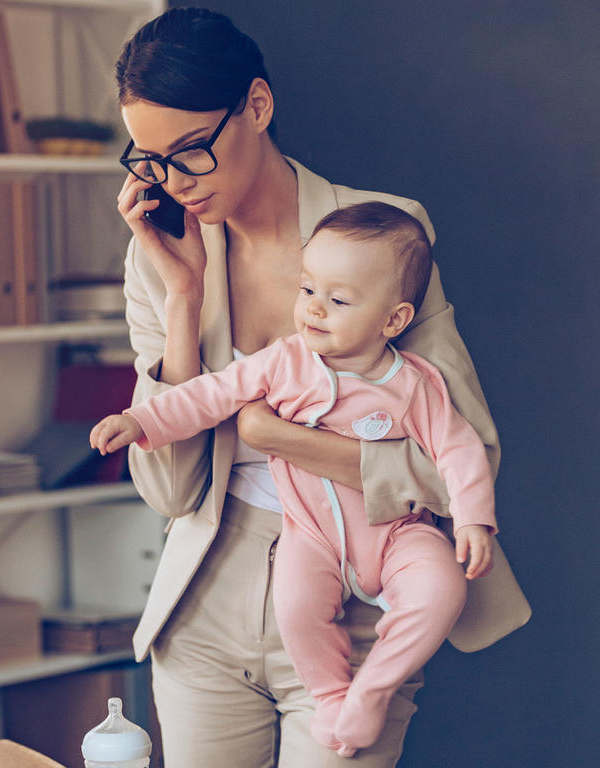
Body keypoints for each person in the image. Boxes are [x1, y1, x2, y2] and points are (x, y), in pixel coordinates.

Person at [110, 7, 531, 768]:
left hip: (358, 599)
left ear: (258, 107)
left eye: (191, 152)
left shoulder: (384, 237)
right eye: (147, 160)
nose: (171, 182)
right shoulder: (158, 259)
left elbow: (459, 463)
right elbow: (171, 493)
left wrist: (282, 440)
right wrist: (182, 300)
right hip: (206, 600)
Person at [92, 201, 497, 758]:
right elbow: (210, 395)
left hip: (398, 533)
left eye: (338, 300)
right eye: (307, 290)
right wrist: (140, 420)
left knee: (443, 588)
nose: (313, 310)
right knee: (297, 604)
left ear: (394, 320)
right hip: (309, 536)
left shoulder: (414, 383)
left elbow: (460, 449)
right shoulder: (284, 361)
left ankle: (371, 689)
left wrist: (474, 520)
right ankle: (332, 693)